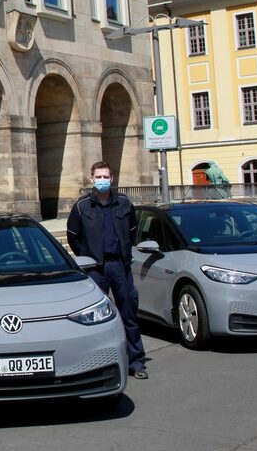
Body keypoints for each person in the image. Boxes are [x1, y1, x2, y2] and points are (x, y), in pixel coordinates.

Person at [67, 161, 148, 379]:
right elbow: (73, 237)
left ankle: (136, 362)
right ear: (91, 179)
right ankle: (96, 364)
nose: (102, 180)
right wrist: (88, 256)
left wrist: (123, 253)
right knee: (94, 319)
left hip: (120, 266)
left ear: (112, 179)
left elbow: (132, 230)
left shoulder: (123, 202)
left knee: (128, 313)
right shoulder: (82, 206)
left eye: (106, 177)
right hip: (95, 269)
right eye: (98, 177)